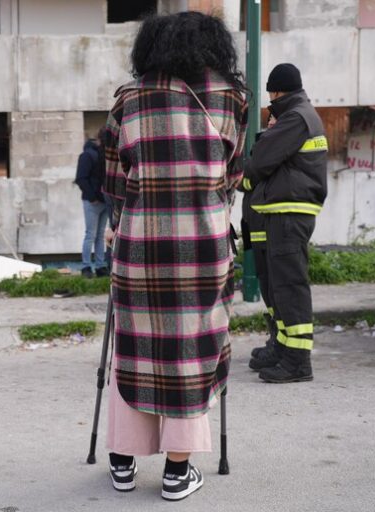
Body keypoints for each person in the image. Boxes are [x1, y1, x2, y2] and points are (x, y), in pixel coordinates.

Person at [102, 12, 247, 501]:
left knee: (136, 347)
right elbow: (231, 179)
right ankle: (176, 472)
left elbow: (114, 186)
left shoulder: (129, 99)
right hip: (202, 247)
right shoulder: (231, 98)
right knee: (192, 351)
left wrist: (125, 221)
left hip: (140, 246)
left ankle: (122, 463)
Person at [243, 63, 328, 383]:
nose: (269, 100)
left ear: (279, 91)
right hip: (275, 211)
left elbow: (261, 158)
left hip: (289, 213)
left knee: (289, 286)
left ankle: (297, 360)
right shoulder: (295, 115)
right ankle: (282, 345)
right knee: (276, 284)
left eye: (271, 93)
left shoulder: (296, 117)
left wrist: (248, 171)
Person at [241, 117, 280, 368]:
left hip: (268, 227)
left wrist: (245, 174)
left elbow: (250, 178)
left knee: (277, 290)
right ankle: (275, 338)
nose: (272, 121)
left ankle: (280, 343)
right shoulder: (263, 144)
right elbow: (246, 180)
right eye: (270, 118)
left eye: (275, 118)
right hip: (254, 227)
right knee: (268, 288)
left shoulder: (278, 146)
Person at [75, 138, 109, 278]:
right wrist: (93, 197)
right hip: (98, 200)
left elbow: (82, 178)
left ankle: (93, 267)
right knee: (94, 235)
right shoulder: (93, 155)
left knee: (95, 235)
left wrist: (93, 197)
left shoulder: (92, 155)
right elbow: (81, 179)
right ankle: (91, 266)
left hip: (99, 201)